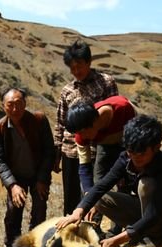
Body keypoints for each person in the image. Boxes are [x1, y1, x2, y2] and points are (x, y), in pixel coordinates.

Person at [56, 115, 162, 247]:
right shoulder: (126, 158)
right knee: (100, 199)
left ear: (156, 148)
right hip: (150, 213)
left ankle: (154, 236)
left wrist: (117, 240)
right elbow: (101, 186)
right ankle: (143, 231)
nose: (135, 158)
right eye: (131, 152)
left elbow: (154, 212)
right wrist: (78, 211)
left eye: (141, 153)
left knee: (145, 185)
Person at [54, 40, 118, 216]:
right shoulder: (67, 91)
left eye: (79, 66)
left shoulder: (106, 83)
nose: (76, 72)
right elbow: (60, 122)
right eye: (72, 68)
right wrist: (57, 153)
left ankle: (93, 232)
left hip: (97, 148)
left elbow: (113, 114)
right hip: (71, 150)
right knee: (71, 197)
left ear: (89, 62)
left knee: (94, 194)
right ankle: (71, 235)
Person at [0, 88, 55, 247]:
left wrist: (42, 179)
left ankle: (36, 246)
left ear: (25, 104)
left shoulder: (39, 120)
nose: (15, 109)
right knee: (13, 212)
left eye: (19, 104)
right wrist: (12, 185)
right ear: (3, 107)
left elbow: (49, 151)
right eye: (10, 105)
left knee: (39, 208)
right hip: (16, 177)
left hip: (37, 173)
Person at [65, 95, 136, 193]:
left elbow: (136, 141)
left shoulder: (123, 109)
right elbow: (84, 166)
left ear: (94, 122)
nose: (82, 136)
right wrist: (88, 193)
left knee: (127, 181)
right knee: (98, 183)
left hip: (127, 141)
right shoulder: (81, 133)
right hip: (105, 144)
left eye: (83, 132)